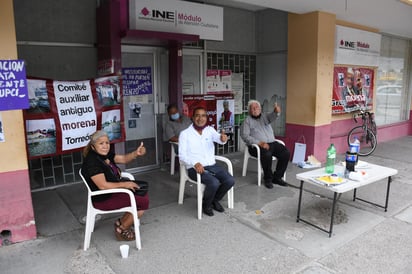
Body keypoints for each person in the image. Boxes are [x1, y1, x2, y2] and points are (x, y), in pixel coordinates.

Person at [81, 130, 149, 241]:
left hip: (114, 191)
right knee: (143, 202)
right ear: (93, 146)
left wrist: (136, 153)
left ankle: (120, 222)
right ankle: (121, 229)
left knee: (142, 194)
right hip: (103, 198)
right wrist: (125, 184)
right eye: (101, 143)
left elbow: (123, 159)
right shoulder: (92, 161)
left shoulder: (103, 155)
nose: (105, 146)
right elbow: (102, 186)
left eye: (107, 143)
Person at [179, 107, 235, 216]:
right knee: (213, 182)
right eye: (197, 115)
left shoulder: (209, 130)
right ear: (193, 117)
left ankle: (214, 200)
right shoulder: (185, 134)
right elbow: (182, 156)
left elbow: (218, 138)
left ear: (206, 117)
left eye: (203, 115)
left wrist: (222, 138)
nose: (200, 118)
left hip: (212, 165)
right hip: (194, 168)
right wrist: (195, 163)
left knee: (230, 180)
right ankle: (206, 205)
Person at [240, 100, 290, 189]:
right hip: (256, 146)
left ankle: (277, 177)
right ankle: (268, 179)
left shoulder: (265, 116)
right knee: (267, 155)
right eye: (253, 108)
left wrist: (276, 112)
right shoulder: (247, 121)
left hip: (271, 143)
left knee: (285, 152)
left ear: (260, 109)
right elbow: (245, 136)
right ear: (249, 110)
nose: (255, 109)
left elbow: (273, 116)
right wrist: (259, 142)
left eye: (257, 107)